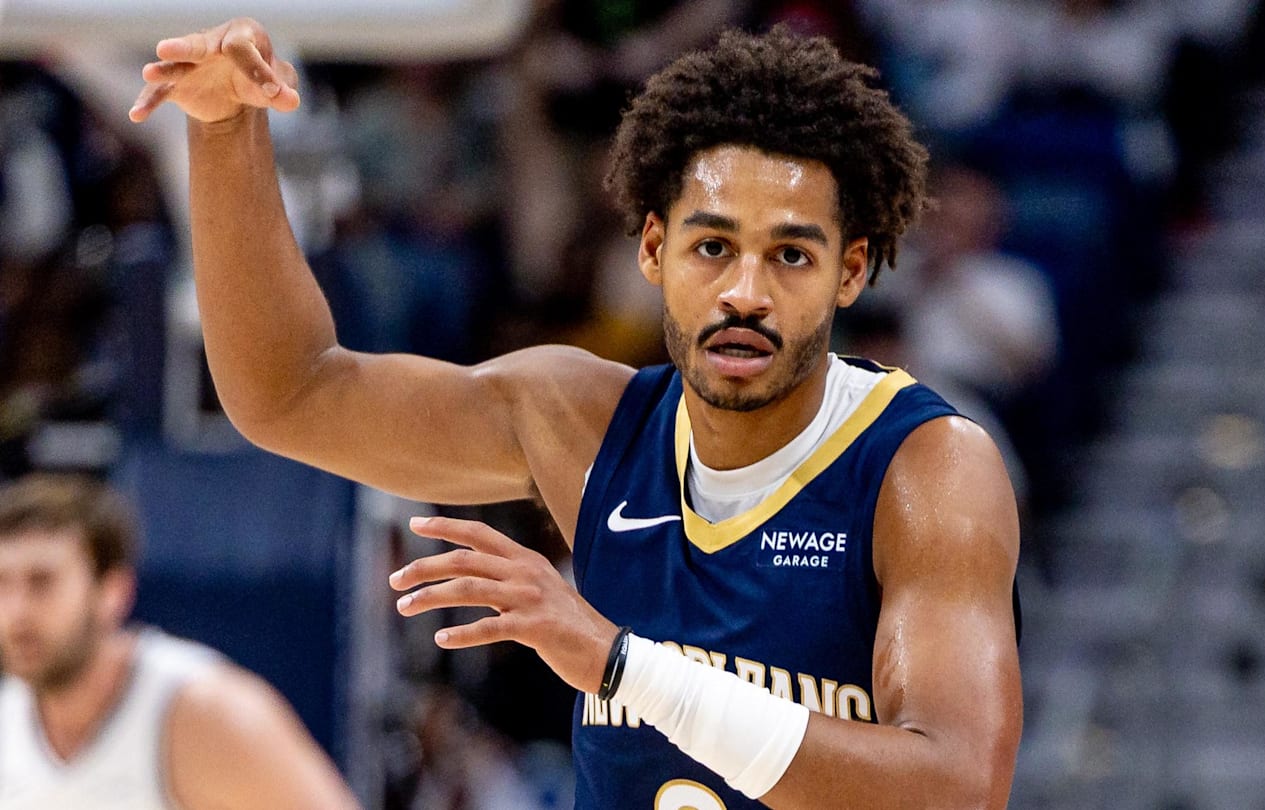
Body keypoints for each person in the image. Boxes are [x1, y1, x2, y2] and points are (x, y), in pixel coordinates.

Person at [129, 18, 1023, 808]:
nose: (745, 292)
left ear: (852, 271)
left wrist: (623, 664)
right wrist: (221, 132)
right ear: (654, 249)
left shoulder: (923, 468)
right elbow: (290, 394)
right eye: (713, 248)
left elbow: (952, 788)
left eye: (791, 255)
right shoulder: (584, 422)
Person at [0, 473, 360, 810]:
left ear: (113, 591)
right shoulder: (8, 718)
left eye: (42, 582)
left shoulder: (210, 711)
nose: (17, 611)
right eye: (2, 583)